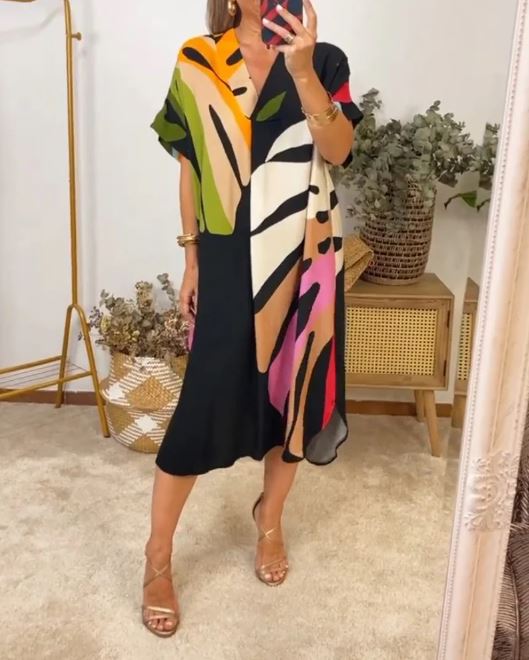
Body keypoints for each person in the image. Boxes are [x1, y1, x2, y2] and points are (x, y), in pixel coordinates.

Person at [141, 0, 363, 637]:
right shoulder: (198, 60)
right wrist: (191, 260)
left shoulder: (324, 60)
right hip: (226, 253)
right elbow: (190, 168)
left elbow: (339, 150)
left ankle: (270, 519)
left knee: (294, 390)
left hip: (305, 252)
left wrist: (302, 71)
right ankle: (157, 557)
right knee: (203, 401)